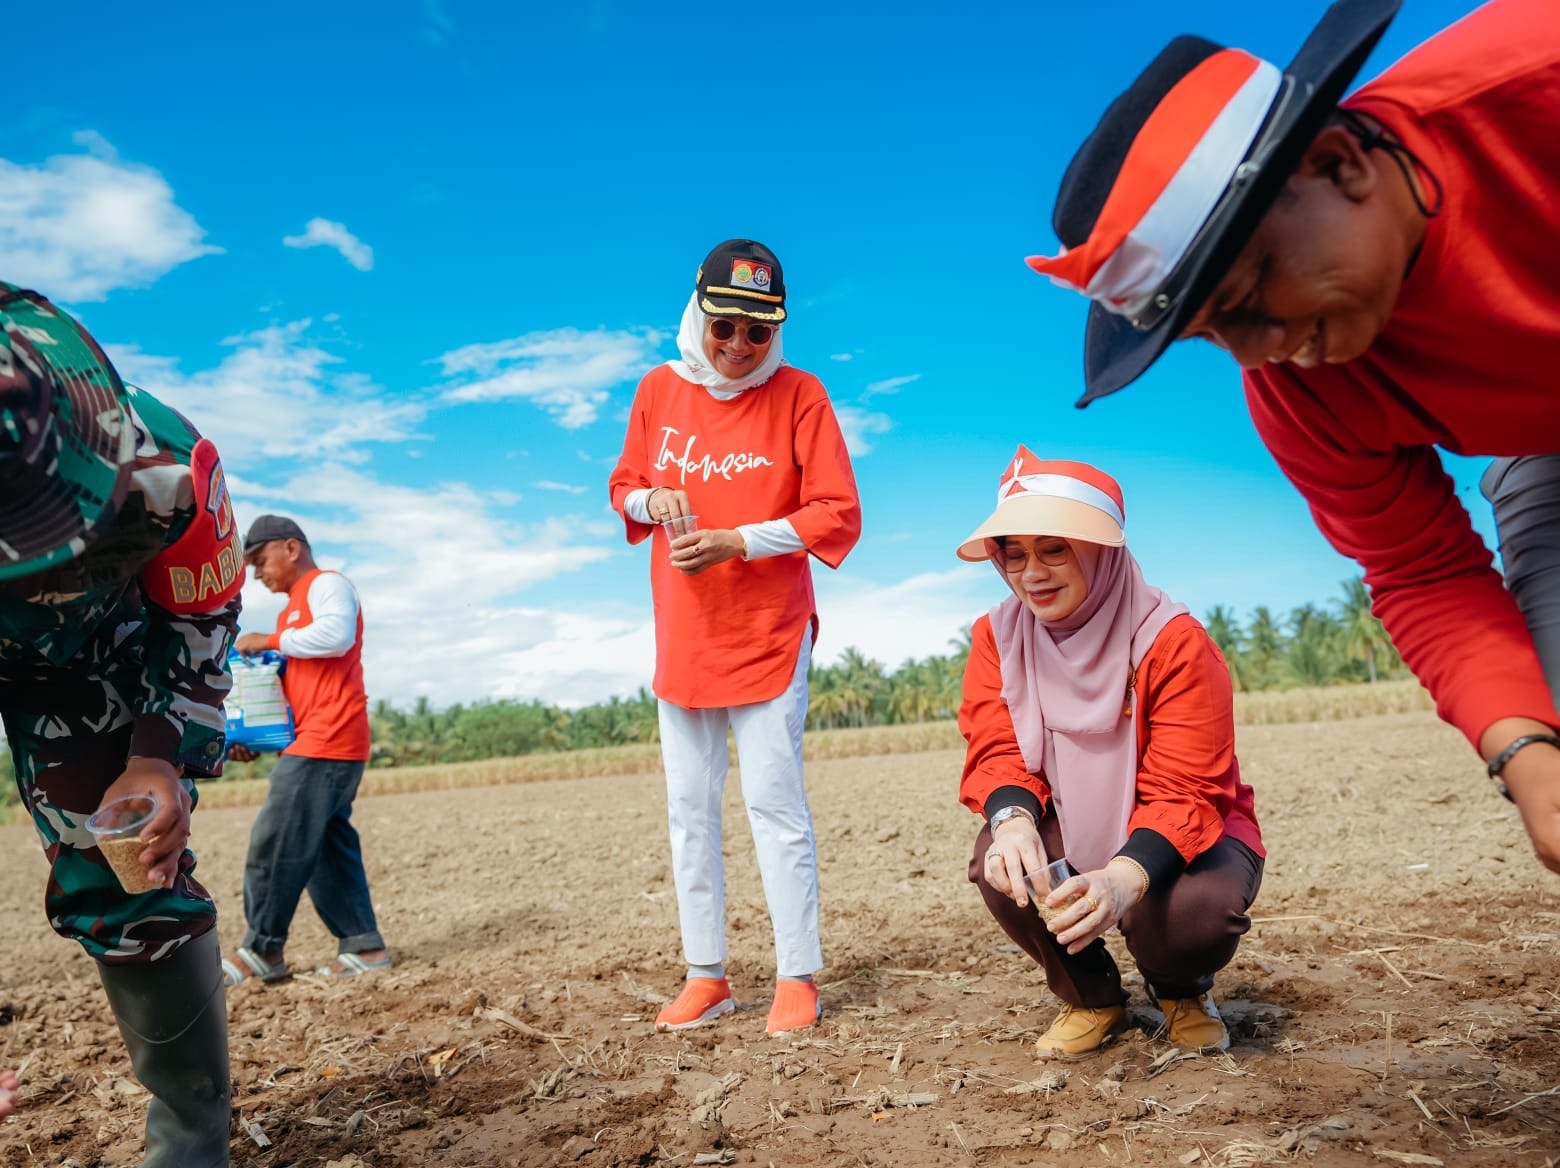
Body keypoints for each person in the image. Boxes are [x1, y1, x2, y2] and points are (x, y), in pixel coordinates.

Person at [1023, 0, 1560, 874]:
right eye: (1212, 337)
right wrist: (1524, 755)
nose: (1260, 354)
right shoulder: (1297, 387)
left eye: (1249, 297)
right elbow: (1422, 569)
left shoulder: (1538, 85)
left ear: (1336, 161)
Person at [0, 283, 239, 1165]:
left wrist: (157, 752)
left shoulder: (167, 468)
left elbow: (201, 612)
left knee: (131, 869)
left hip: (93, 657)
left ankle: (192, 1128)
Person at [608, 239, 862, 1037]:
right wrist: (655, 506)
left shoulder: (801, 395)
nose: (739, 347)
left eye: (758, 332)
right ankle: (707, 974)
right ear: (698, 312)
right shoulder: (657, 389)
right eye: (725, 326)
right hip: (685, 635)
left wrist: (737, 540)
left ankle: (797, 976)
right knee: (689, 808)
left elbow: (835, 511)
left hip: (767, 631)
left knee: (772, 804)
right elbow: (624, 487)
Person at [956, 448, 1264, 1059]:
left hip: (1182, 825)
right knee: (1004, 863)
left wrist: (1123, 880)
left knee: (1195, 911)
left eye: (1054, 549)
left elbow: (1187, 790)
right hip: (1069, 815)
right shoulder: (998, 636)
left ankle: (1180, 990)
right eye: (1013, 552)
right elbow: (997, 745)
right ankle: (1092, 997)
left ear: (1102, 551)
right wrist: (1011, 821)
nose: (1031, 573)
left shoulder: (1173, 641)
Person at [222, 516, 391, 984]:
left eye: (260, 560)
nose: (257, 574)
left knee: (274, 843)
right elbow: (295, 687)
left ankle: (262, 951)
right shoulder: (290, 609)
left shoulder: (327, 585)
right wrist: (251, 739)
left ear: (291, 547)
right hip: (315, 739)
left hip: (328, 740)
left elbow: (336, 637)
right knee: (322, 849)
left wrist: (269, 640)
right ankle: (365, 947)